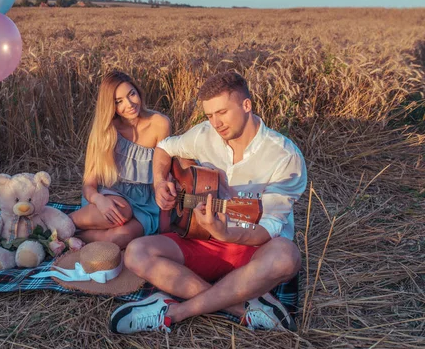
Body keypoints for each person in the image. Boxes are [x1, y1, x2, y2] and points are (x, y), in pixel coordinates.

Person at [109, 71, 307, 333]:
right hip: (202, 238)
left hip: (252, 248)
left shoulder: (284, 157)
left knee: (286, 257)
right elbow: (165, 148)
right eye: (209, 115)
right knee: (136, 252)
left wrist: (223, 231)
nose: (216, 123)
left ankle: (176, 311)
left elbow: (267, 229)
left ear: (246, 105)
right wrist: (159, 182)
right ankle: (239, 307)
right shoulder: (204, 134)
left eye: (222, 112)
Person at [69, 71, 171, 249]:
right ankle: (61, 223)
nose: (130, 104)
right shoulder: (106, 131)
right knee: (122, 210)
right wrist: (99, 200)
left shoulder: (159, 123)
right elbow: (89, 184)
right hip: (111, 193)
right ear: (110, 106)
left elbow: (162, 170)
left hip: (146, 200)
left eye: (132, 94)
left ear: (138, 92)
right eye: (119, 102)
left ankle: (66, 235)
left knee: (119, 238)